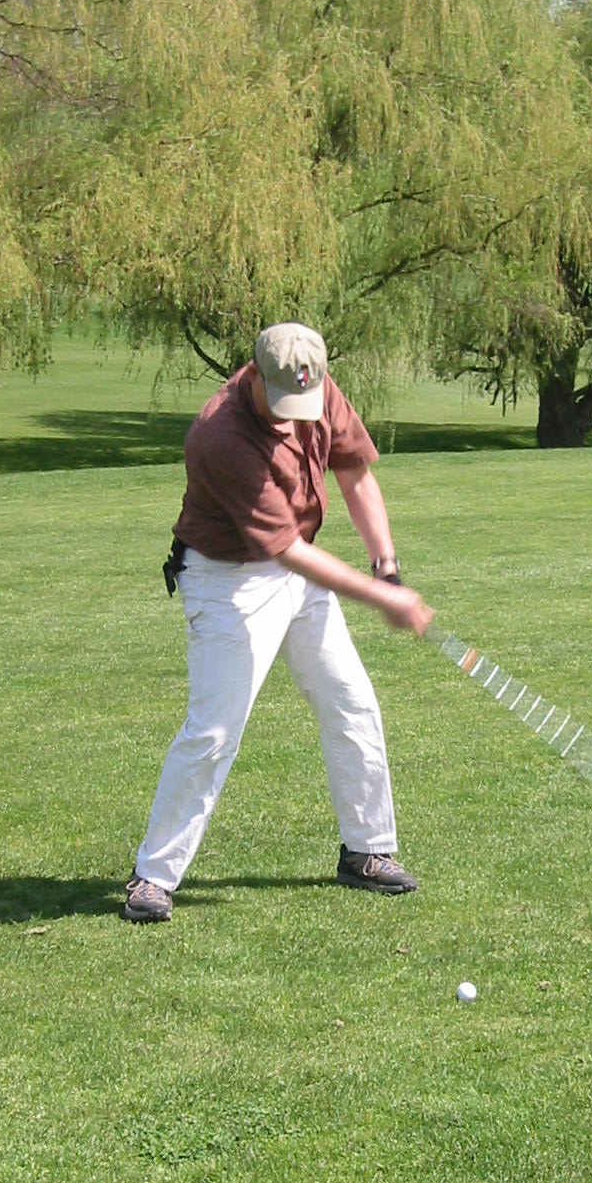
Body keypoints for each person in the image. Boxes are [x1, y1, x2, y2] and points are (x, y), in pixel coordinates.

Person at [124, 321, 434, 923]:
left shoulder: (313, 385)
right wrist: (378, 598)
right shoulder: (219, 435)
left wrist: (388, 569)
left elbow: (355, 474)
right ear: (255, 376)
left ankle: (366, 850)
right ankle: (153, 876)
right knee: (215, 730)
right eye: (283, 402)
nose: (296, 418)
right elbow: (286, 550)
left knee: (351, 701)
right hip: (228, 581)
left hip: (298, 566)